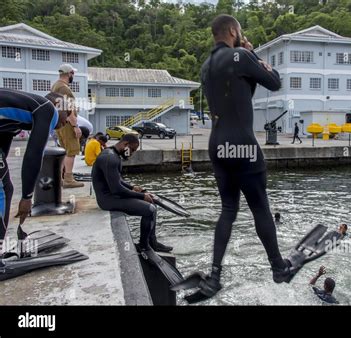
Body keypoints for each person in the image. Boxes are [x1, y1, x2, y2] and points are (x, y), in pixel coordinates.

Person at [188, 14, 289, 300]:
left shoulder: (206, 67)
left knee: (228, 211)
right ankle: (278, 267)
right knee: (260, 208)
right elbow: (274, 82)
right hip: (242, 144)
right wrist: (251, 51)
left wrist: (245, 53)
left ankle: (215, 274)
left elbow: (243, 88)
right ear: (233, 30)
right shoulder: (241, 56)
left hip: (217, 144)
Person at [0, 89, 70, 251]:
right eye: (67, 113)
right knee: (4, 190)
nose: (67, 121)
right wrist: (27, 197)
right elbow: (34, 154)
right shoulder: (47, 109)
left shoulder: (16, 121)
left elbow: (2, 150)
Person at [91, 134, 172, 254]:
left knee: (153, 205)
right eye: (132, 150)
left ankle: (152, 242)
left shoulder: (113, 155)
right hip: (107, 200)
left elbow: (119, 181)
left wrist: (133, 188)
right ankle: (144, 246)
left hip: (112, 196)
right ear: (125, 145)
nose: (132, 153)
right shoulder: (110, 159)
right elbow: (117, 189)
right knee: (149, 209)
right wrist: (142, 196)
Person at [52, 63, 83, 188]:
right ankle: (68, 179)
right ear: (69, 74)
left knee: (64, 151)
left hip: (59, 122)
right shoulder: (64, 88)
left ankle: (60, 178)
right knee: (72, 150)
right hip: (67, 123)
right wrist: (75, 126)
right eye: (72, 73)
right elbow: (68, 108)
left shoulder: (56, 85)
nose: (73, 76)